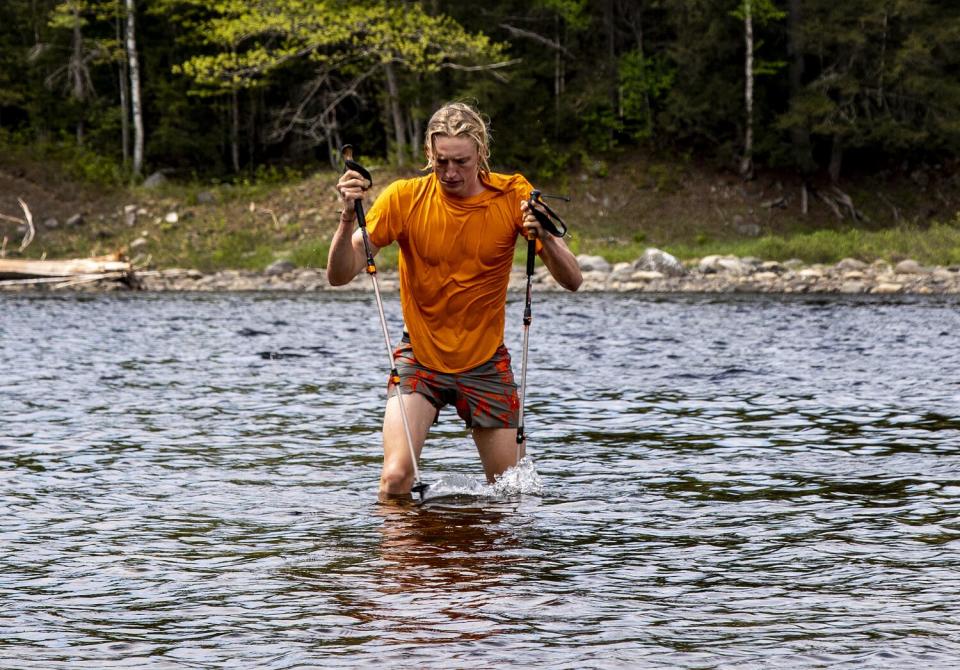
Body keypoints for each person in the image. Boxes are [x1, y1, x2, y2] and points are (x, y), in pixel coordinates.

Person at [328, 102, 582, 499]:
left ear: (481, 153)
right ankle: (405, 560)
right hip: (421, 359)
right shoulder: (404, 198)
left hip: (485, 362)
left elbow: (573, 279)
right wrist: (347, 217)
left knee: (512, 492)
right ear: (429, 154)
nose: (450, 173)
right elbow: (339, 274)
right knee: (395, 481)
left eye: (461, 162)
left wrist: (546, 237)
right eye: (442, 161)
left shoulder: (514, 194)